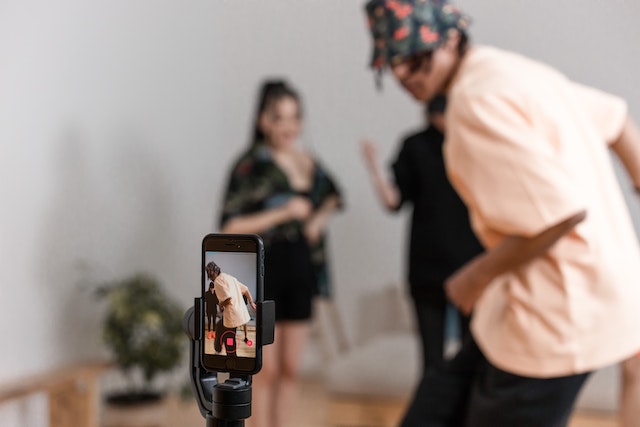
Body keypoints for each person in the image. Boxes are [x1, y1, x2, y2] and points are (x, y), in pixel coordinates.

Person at [362, 1, 640, 425]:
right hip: (543, 300)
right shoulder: (512, 70)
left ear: (451, 38)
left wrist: (476, 276)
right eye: (392, 63)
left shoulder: (475, 102)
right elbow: (617, 121)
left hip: (557, 315)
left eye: (414, 57)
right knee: (435, 406)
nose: (403, 74)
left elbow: (559, 216)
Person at [219, 79, 342, 427]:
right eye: (279, 118)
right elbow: (229, 226)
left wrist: (317, 219)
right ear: (262, 121)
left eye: (294, 117)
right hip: (262, 272)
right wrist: (284, 212)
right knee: (265, 370)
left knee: (291, 368)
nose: (288, 126)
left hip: (301, 268)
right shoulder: (249, 166)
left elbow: (333, 195)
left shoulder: (308, 162)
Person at [361, 96, 483, 370]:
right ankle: (436, 411)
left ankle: (467, 413)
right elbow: (394, 201)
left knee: (472, 357)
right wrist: (374, 169)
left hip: (472, 267)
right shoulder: (415, 145)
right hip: (428, 269)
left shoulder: (476, 144)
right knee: (431, 361)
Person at [205, 261, 256, 355]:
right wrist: (251, 302)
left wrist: (220, 305)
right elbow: (246, 289)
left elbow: (228, 299)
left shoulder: (217, 281)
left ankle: (232, 358)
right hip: (240, 313)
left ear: (212, 273)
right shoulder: (229, 277)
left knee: (229, 339)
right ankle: (218, 350)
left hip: (232, 316)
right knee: (220, 325)